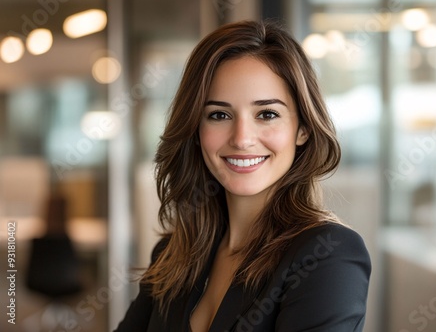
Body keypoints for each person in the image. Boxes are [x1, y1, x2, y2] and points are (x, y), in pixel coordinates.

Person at [114, 20, 371, 332]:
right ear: (196, 129)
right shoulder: (174, 255)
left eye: (267, 114)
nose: (241, 138)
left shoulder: (328, 255)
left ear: (302, 129)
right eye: (219, 115)